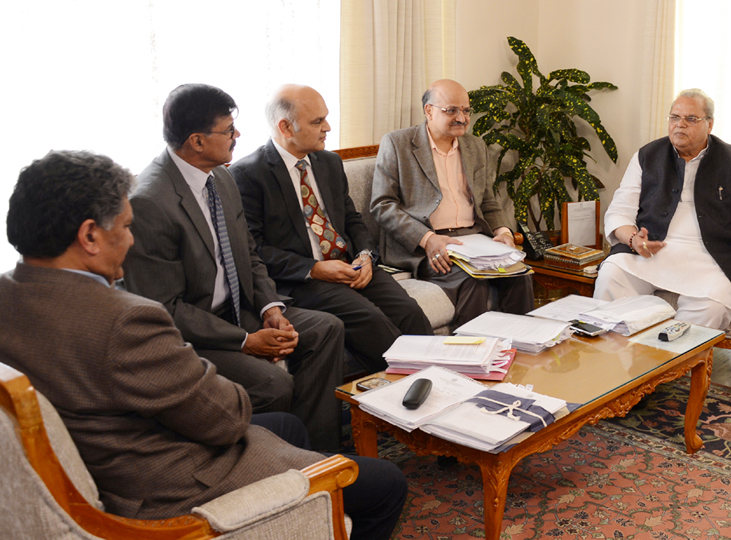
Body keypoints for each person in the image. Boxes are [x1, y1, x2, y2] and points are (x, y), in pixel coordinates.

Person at [2, 150, 407, 540]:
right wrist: (224, 355)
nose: (130, 240)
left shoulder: (8, 295)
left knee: (288, 426)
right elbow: (226, 417)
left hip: (112, 451)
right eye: (126, 227)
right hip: (168, 484)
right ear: (90, 235)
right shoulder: (126, 319)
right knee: (386, 483)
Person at [123, 83, 344, 451]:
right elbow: (166, 309)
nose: (237, 135)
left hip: (241, 309)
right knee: (274, 385)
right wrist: (246, 341)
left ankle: (317, 453)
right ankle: (273, 457)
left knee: (325, 329)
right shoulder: (150, 202)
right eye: (228, 130)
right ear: (196, 141)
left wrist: (270, 309)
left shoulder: (220, 177)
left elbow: (249, 253)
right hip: (194, 333)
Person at [231, 85, 433, 372]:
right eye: (317, 122)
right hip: (303, 279)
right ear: (285, 127)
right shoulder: (247, 175)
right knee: (370, 319)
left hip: (351, 264)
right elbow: (255, 249)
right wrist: (313, 268)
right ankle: (414, 384)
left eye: (325, 118)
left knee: (409, 311)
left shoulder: (329, 162)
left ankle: (439, 378)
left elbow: (352, 220)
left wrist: (365, 255)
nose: (327, 127)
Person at [595, 88, 731, 331]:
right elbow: (619, 209)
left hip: (710, 258)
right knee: (611, 277)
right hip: (653, 251)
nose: (680, 125)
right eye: (674, 117)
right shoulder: (647, 155)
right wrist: (632, 239)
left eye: (691, 119)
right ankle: (617, 359)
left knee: (712, 308)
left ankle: (676, 366)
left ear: (709, 124)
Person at [371, 78, 534, 329]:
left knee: (520, 275)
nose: (462, 118)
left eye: (466, 111)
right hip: (429, 243)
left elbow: (488, 199)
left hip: (475, 240)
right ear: (429, 111)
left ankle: (521, 351)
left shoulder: (475, 146)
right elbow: (382, 205)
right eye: (452, 111)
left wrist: (503, 232)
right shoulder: (397, 143)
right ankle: (468, 357)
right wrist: (427, 239)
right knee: (474, 281)